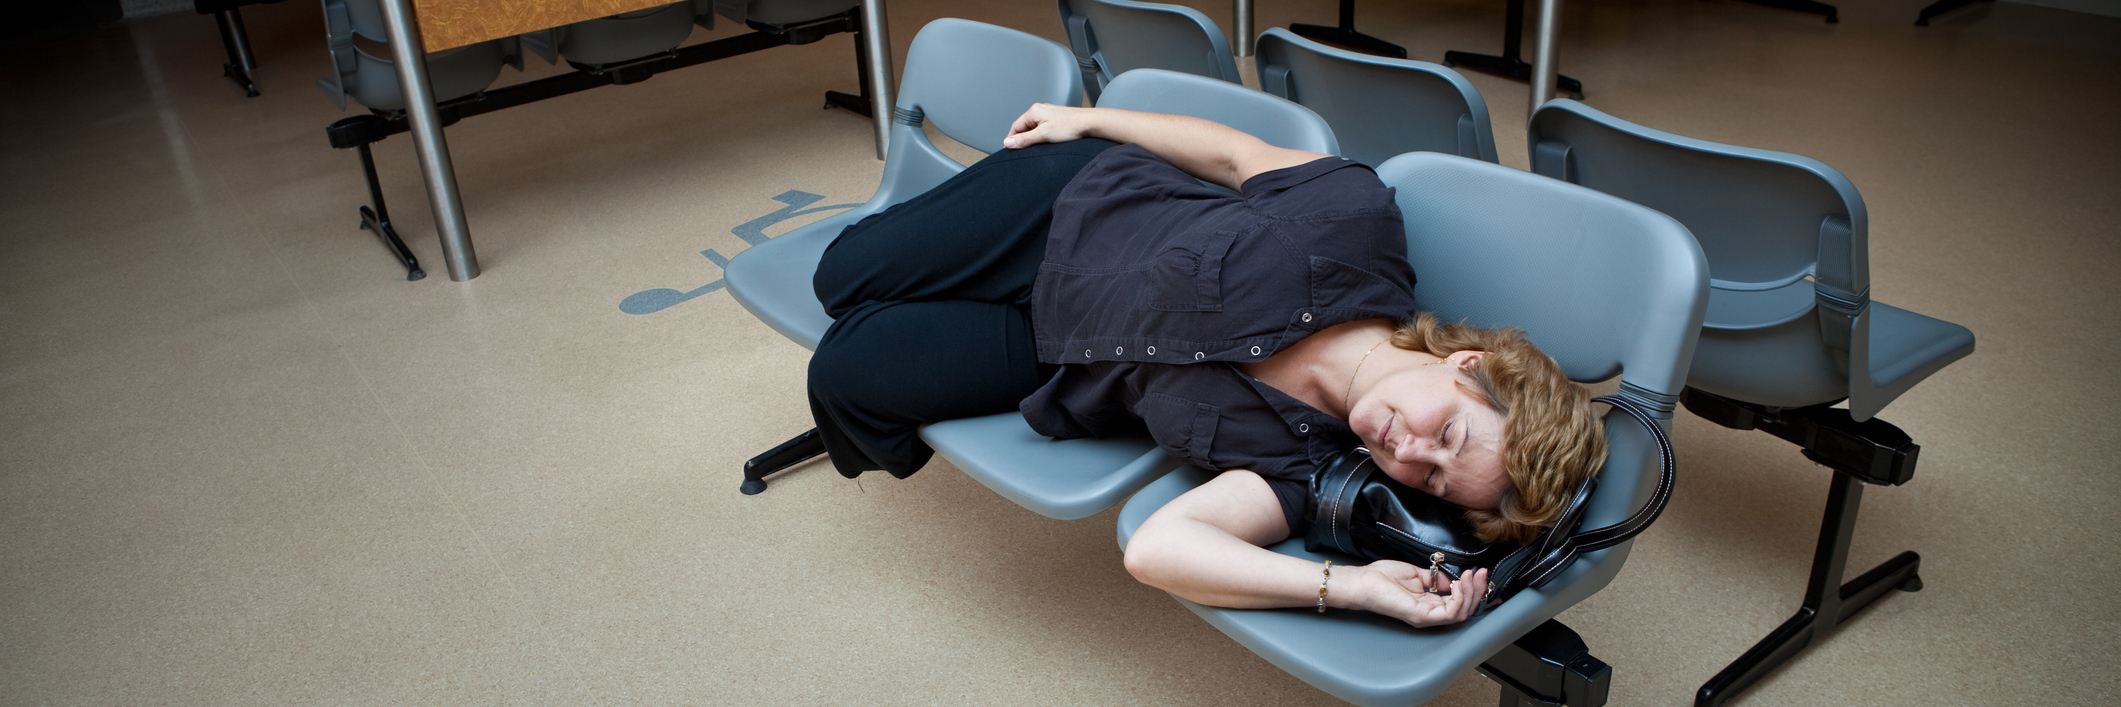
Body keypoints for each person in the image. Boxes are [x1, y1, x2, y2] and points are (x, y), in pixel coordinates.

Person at [803, 104, 1607, 629]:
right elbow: (1231, 155)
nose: (1410, 454)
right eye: (1451, 434)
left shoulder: (1304, 466)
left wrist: (1356, 587)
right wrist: (1083, 118)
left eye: (1430, 481)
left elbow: (1158, 550)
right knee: (838, 278)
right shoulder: (1350, 225)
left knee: (846, 371)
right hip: (1062, 208)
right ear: (1467, 364)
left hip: (1052, 345)